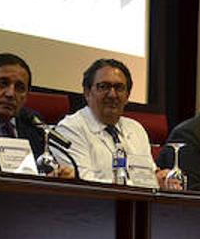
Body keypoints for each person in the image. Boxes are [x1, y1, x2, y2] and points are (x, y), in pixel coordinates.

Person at [53, 59, 159, 187]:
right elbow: (84, 183)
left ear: (127, 96)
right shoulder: (69, 129)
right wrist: (138, 185)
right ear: (87, 93)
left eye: (119, 88)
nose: (112, 94)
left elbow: (150, 178)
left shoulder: (136, 129)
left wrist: (161, 178)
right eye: (104, 87)